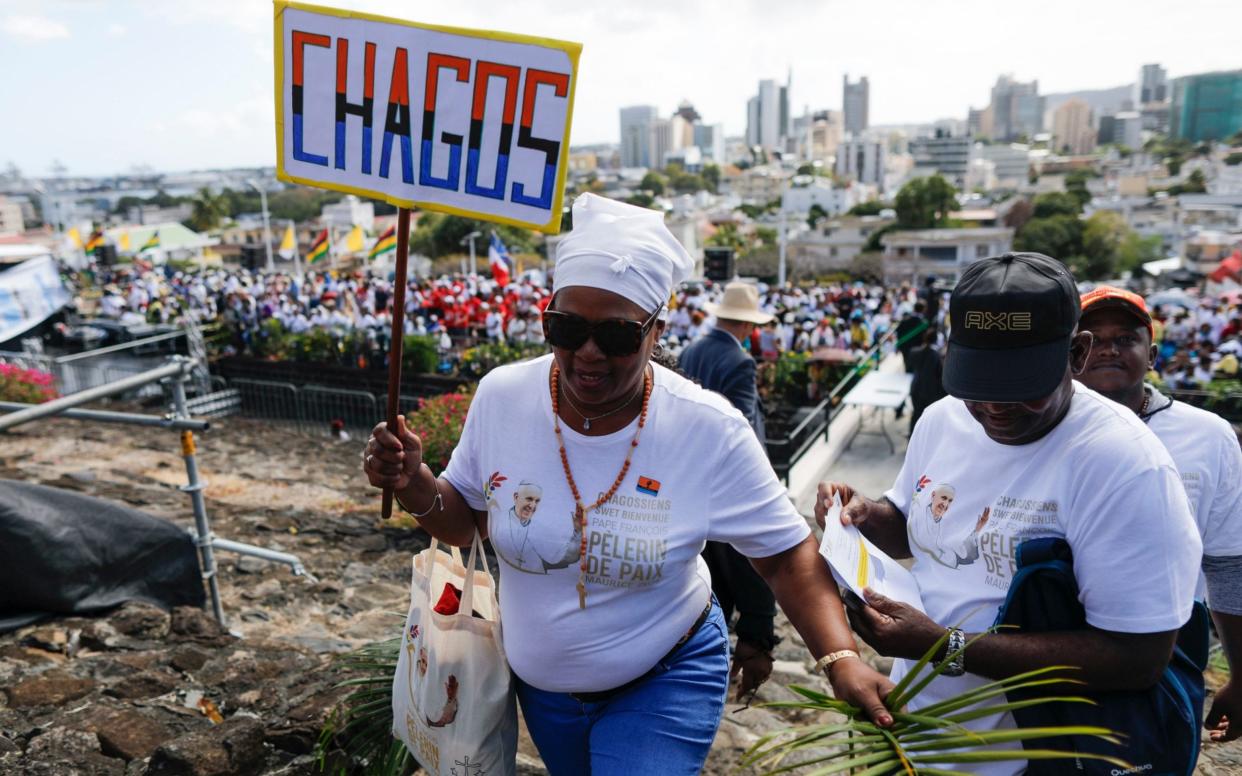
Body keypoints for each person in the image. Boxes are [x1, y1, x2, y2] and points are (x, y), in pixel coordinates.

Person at [364, 193, 894, 776]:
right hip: (545, 695)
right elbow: (463, 520)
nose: (587, 353)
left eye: (616, 336)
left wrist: (840, 657)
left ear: (655, 330)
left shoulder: (706, 426)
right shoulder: (503, 396)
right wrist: (414, 482)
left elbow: (787, 554)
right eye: (565, 328)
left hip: (667, 675)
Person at [816, 253, 1202, 775]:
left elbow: (1138, 657)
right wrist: (864, 517)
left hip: (1033, 759)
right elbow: (917, 526)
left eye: (1022, 387)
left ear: (1077, 353)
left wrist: (945, 647)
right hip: (920, 738)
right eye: (978, 385)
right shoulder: (943, 419)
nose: (995, 407)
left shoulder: (1125, 466)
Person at [1078, 285, 1242, 742]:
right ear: (1070, 352)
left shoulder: (1208, 436)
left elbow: (1228, 563)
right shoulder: (1036, 426)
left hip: (1167, 652)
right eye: (1092, 338)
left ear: (1151, 354)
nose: (1108, 348)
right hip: (1046, 649)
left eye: (1125, 338)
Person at [678, 280, 780, 700]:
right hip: (728, 476)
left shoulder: (690, 350)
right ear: (745, 324)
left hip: (690, 473)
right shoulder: (739, 360)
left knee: (708, 572)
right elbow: (741, 422)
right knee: (745, 563)